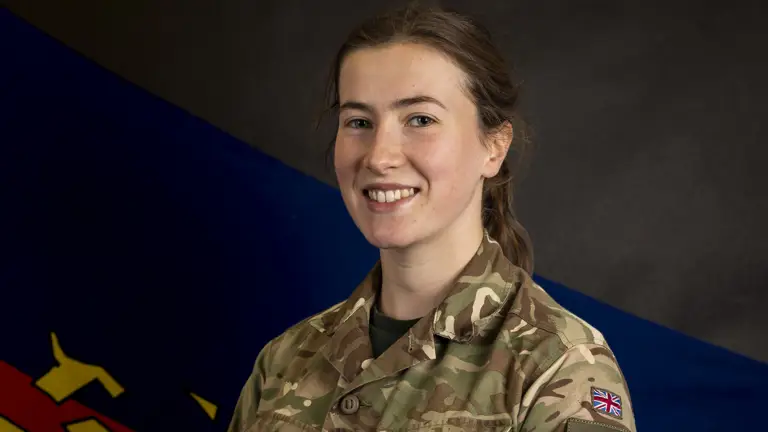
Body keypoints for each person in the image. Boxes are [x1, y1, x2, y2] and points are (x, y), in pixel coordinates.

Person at [228, 4, 635, 432]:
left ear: (494, 146)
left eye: (420, 119)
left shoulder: (558, 368)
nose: (379, 156)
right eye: (359, 121)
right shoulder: (285, 361)